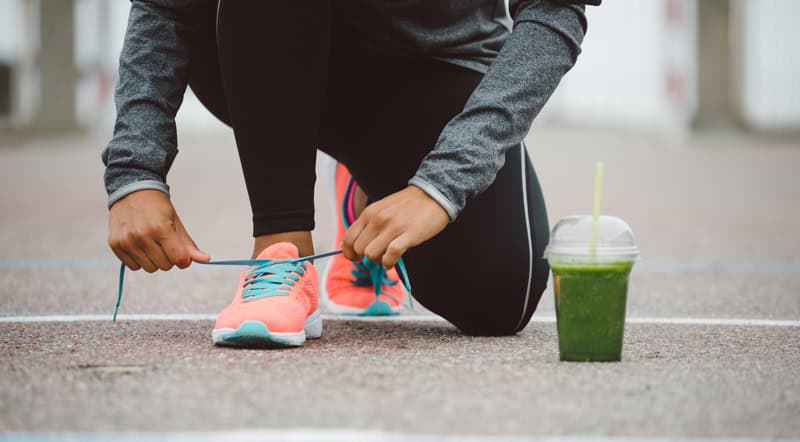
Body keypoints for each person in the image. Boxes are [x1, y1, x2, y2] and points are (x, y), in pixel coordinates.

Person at [104, 0, 600, 348]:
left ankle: (369, 181)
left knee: (497, 299)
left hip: (434, 63)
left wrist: (441, 184)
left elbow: (555, 10)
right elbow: (165, 8)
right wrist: (136, 172)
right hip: (264, 46)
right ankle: (282, 256)